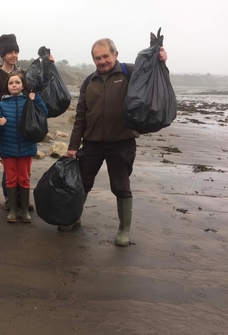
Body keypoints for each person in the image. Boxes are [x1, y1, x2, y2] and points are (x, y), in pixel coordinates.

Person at [63, 38, 168, 246]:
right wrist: (73, 146)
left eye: (105, 56)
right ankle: (74, 218)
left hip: (122, 142)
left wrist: (161, 61)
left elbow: (152, 76)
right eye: (97, 58)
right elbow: (81, 116)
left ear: (115, 54)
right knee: (82, 183)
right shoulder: (88, 82)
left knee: (121, 186)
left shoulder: (129, 72)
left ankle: (124, 230)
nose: (102, 61)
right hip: (92, 143)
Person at [0, 72, 48, 223]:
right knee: (10, 179)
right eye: (11, 83)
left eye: (17, 82)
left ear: (23, 85)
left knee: (24, 179)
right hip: (8, 149)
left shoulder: (30, 100)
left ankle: (24, 210)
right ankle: (12, 210)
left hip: (27, 147)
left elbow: (44, 113)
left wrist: (36, 99)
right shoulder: (2, 104)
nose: (14, 85)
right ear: (7, 86)